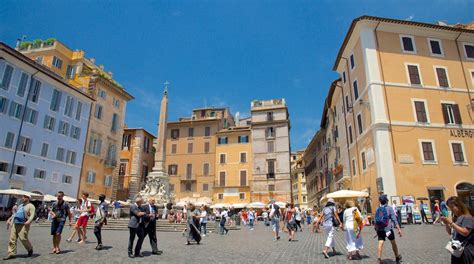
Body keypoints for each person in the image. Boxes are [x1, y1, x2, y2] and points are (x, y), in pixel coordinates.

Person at [441, 196, 473, 263]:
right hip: (457, 250)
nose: (452, 209)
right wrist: (447, 224)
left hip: (466, 251)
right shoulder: (457, 218)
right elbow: (451, 233)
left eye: (452, 207)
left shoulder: (467, 217)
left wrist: (451, 223)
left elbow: (465, 232)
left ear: (459, 205)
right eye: (450, 208)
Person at [3, 194, 36, 260]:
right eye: (22, 197)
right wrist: (9, 219)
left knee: (23, 238)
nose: (22, 198)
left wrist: (29, 221)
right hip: (15, 223)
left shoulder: (31, 206)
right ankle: (11, 253)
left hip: (24, 224)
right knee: (12, 239)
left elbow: (32, 215)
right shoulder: (20, 205)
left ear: (28, 198)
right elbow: (15, 214)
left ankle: (30, 249)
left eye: (24, 197)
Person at [375, 194, 402, 263]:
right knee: (393, 242)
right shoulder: (389, 208)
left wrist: (376, 229)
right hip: (388, 229)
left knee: (380, 242)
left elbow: (376, 220)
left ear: (380, 201)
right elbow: (394, 219)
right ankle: (397, 257)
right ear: (386, 201)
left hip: (380, 229)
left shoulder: (378, 209)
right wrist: (399, 229)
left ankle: (379, 259)